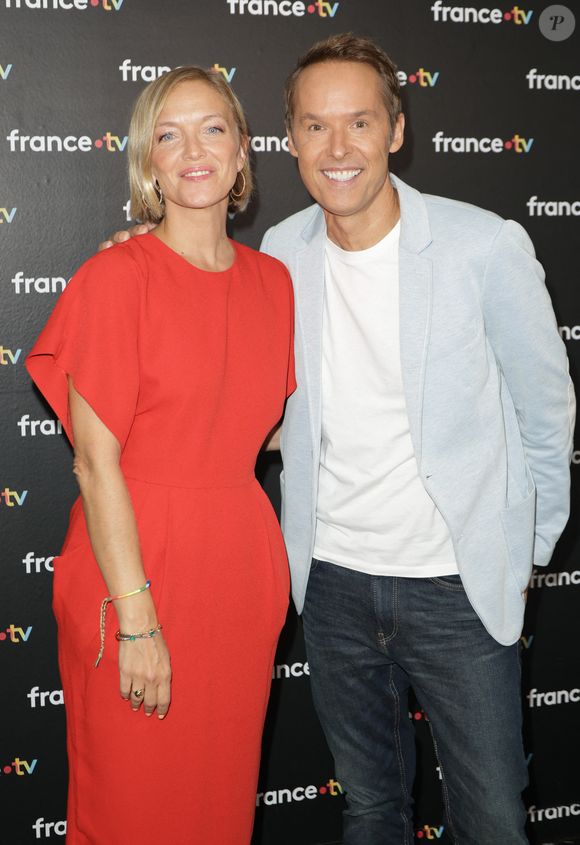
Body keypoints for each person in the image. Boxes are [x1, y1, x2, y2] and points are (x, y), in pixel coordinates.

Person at [103, 35, 574, 845]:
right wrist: (134, 254)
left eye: (360, 122)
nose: (338, 147)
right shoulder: (280, 256)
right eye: (316, 126)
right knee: (368, 807)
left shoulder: (484, 247)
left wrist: (523, 551)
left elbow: (546, 413)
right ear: (288, 140)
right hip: (331, 586)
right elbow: (214, 345)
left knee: (492, 818)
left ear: (396, 129)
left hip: (457, 589)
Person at [26, 65, 295, 845]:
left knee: (217, 802)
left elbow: (268, 426)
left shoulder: (275, 282)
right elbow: (93, 462)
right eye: (167, 136)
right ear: (148, 162)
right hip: (133, 570)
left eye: (212, 128)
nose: (193, 151)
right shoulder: (116, 279)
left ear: (243, 151)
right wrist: (137, 620)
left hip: (239, 571)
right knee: (131, 805)